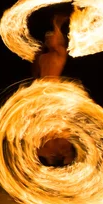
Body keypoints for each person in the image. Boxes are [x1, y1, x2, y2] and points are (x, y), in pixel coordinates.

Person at [33, 13, 77, 167]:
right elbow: (35, 73)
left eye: (50, 37)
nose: (48, 39)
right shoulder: (41, 56)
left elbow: (59, 40)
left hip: (53, 91)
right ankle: (50, 157)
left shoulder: (60, 53)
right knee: (43, 126)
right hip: (40, 90)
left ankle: (64, 156)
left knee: (55, 125)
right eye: (46, 38)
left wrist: (56, 25)